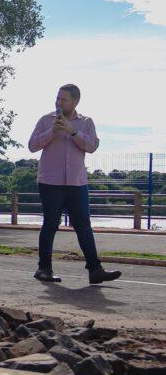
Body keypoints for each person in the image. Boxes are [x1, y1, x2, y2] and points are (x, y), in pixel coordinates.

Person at [27, 84, 121, 284]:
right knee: (50, 224)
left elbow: (92, 146)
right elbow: (32, 146)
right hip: (50, 182)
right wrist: (52, 131)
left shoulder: (86, 122)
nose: (59, 102)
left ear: (75, 101)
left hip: (77, 184)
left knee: (84, 226)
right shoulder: (46, 120)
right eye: (58, 98)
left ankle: (95, 270)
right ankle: (44, 269)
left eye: (64, 99)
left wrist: (72, 132)